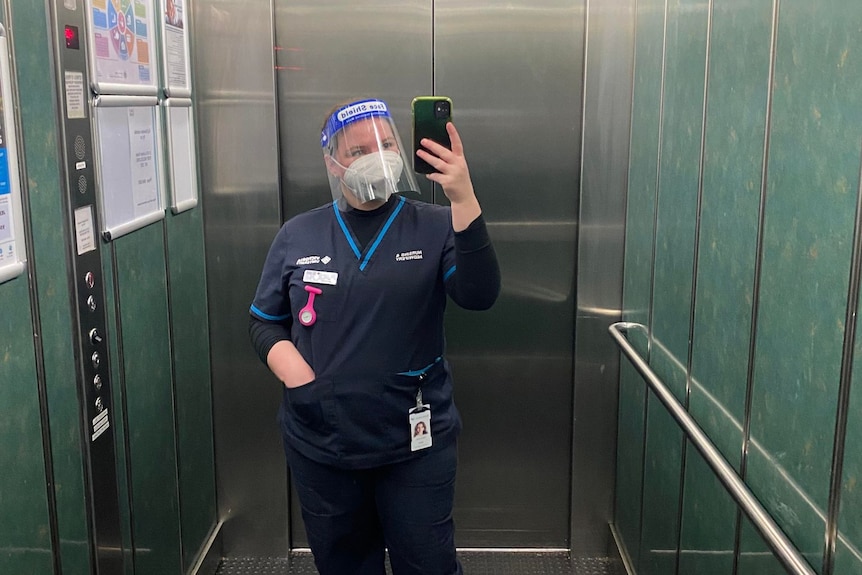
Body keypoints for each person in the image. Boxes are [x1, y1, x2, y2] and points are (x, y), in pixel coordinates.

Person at [248, 97, 500, 575]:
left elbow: (479, 294)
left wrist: (464, 199)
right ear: (333, 163)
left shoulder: (434, 225)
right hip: (322, 441)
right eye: (361, 148)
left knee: (428, 564)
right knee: (344, 565)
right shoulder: (298, 234)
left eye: (386, 144)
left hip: (413, 441)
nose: (377, 155)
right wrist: (298, 377)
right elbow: (264, 321)